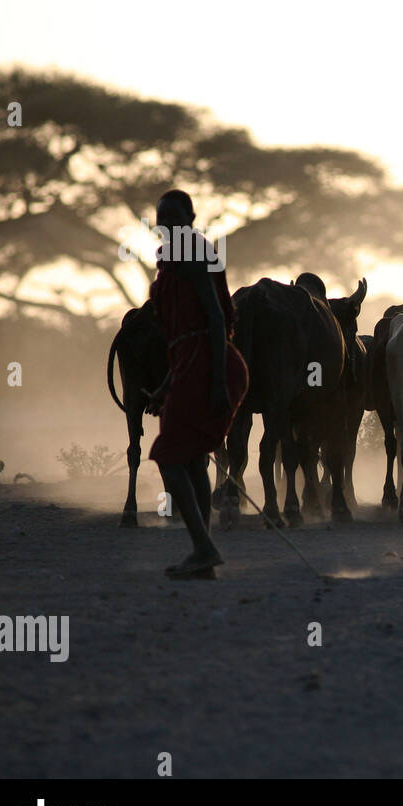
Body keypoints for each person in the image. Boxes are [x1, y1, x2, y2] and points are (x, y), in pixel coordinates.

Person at [144, 190, 249, 579]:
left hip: (210, 364)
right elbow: (183, 336)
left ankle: (204, 547)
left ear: (189, 218)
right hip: (194, 365)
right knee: (190, 458)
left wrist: (217, 381)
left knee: (169, 455)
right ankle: (202, 555)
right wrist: (166, 386)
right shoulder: (174, 259)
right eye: (161, 217)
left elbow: (215, 320)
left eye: (172, 216)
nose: (166, 223)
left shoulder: (189, 252)